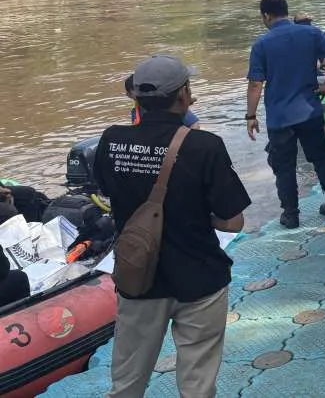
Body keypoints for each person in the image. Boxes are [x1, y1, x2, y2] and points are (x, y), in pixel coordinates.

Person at [95, 55, 250, 398]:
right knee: (197, 381)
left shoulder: (111, 140)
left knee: (127, 380)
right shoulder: (204, 145)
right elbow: (232, 220)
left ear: (135, 98)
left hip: (139, 277)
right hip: (200, 277)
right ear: (184, 95)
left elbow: (109, 192)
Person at [246, 0, 325, 228]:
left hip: (280, 117)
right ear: (286, 11)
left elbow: (255, 84)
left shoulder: (262, 44)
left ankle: (291, 214)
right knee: (322, 158)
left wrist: (250, 115)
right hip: (310, 110)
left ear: (266, 16)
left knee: (284, 166)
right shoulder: (311, 33)